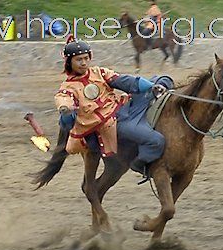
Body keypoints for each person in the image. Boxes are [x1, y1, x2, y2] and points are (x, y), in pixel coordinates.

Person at [55, 35, 172, 181]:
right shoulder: (67, 88)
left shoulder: (99, 72)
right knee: (156, 140)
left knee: (161, 79)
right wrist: (66, 110)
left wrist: (150, 87)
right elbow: (64, 103)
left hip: (125, 106)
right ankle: (140, 164)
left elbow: (122, 81)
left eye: (86, 58)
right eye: (79, 60)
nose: (84, 63)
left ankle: (158, 86)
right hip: (114, 123)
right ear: (69, 62)